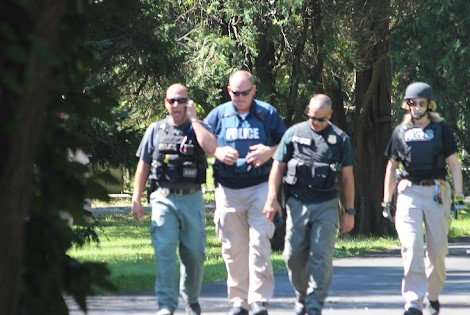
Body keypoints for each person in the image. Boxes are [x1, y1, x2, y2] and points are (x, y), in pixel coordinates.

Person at [263, 94, 355, 315]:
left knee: (320, 255)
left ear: (330, 116)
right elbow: (278, 167)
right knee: (293, 255)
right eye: (311, 117)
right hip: (297, 204)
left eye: (320, 119)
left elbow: (347, 178)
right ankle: (302, 295)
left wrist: (349, 211)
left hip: (327, 204)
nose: (315, 122)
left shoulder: (340, 139)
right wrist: (271, 198)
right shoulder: (293, 133)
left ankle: (315, 302)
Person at [204, 70, 286, 315]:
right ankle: (239, 301)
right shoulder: (219, 114)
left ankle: (259, 300)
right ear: (229, 91)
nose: (239, 97)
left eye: (244, 93)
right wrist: (217, 152)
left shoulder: (266, 113)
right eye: (234, 93)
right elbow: (202, 140)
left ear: (253, 90)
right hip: (228, 190)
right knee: (233, 248)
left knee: (259, 242)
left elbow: (288, 143)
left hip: (260, 187)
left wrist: (269, 151)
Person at [131, 84, 217, 315]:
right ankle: (167, 305)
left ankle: (191, 300)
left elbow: (211, 149)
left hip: (192, 198)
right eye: (172, 101)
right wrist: (136, 198)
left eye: (181, 100)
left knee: (194, 255)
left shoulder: (199, 127)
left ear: (189, 102)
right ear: (165, 104)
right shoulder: (155, 129)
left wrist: (195, 120)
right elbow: (144, 165)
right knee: (165, 249)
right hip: (163, 198)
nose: (177, 105)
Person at [382, 82, 464, 315]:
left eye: (421, 103)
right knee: (412, 245)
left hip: (436, 191)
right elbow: (391, 168)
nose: (416, 107)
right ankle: (413, 301)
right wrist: (387, 200)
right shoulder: (400, 132)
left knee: (437, 249)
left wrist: (458, 196)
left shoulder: (441, 129)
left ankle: (433, 296)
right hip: (409, 191)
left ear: (429, 105)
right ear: (406, 105)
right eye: (412, 103)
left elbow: (454, 165)